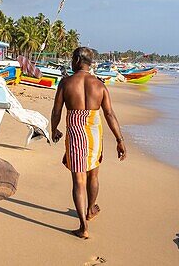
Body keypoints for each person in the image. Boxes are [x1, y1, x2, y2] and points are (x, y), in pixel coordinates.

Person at [51, 46, 127, 239]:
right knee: (93, 175)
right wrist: (120, 140)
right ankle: (90, 208)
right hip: (93, 132)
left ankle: (83, 226)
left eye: (71, 58)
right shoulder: (99, 85)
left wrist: (54, 129)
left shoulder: (66, 83)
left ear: (77, 60)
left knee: (78, 181)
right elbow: (109, 114)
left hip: (76, 132)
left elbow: (57, 111)